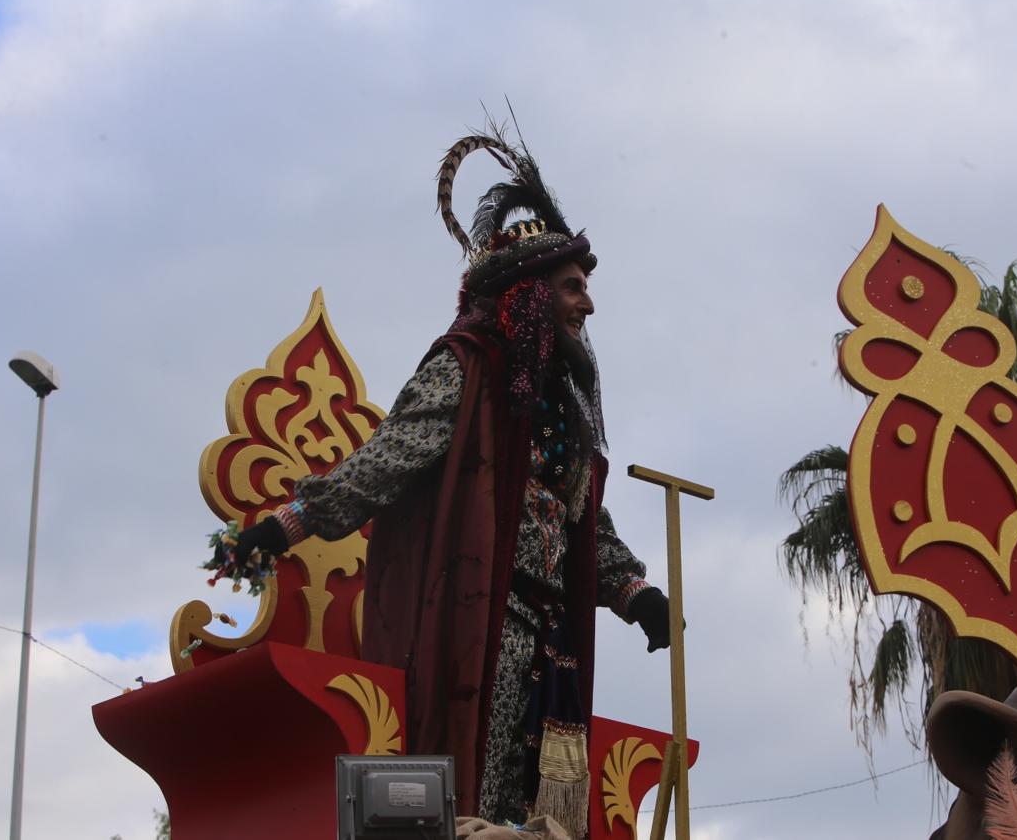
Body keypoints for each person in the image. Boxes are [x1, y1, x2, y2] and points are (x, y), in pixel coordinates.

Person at [204, 128, 671, 835]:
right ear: (531, 295)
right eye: (574, 288)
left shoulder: (567, 411)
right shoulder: (467, 366)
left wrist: (637, 595)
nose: (589, 305)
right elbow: (387, 458)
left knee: (546, 813)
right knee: (471, 805)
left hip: (556, 637)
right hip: (480, 619)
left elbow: (587, 524)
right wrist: (287, 524)